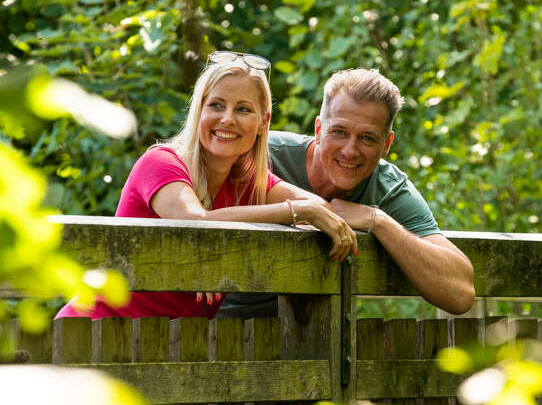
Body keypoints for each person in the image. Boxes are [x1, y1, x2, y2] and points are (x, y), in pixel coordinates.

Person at [56, 52, 356, 320]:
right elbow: (195, 223)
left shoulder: (247, 180)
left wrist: (225, 256)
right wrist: (296, 211)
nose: (227, 119)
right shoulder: (161, 163)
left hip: (163, 349)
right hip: (92, 333)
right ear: (199, 110)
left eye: (243, 109)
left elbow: (319, 208)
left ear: (263, 122)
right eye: (216, 105)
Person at [219, 68, 475, 318]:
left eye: (367, 138)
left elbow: (460, 294)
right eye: (339, 132)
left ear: (386, 144)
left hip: (311, 350)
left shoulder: (388, 189)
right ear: (319, 130)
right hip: (203, 331)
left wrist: (378, 220)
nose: (350, 151)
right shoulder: (258, 154)